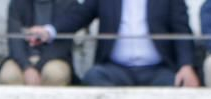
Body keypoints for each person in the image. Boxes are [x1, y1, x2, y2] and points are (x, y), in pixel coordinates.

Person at [26, 0, 200, 86]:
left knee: (177, 84)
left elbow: (182, 29)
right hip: (115, 70)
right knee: (93, 77)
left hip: (158, 70)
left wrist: (186, 66)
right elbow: (80, 15)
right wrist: (49, 31)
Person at [0, 0, 73, 83]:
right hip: (23, 58)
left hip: (54, 58)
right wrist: (27, 67)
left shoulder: (67, 3)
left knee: (55, 74)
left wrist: (37, 68)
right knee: (8, 76)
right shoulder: (18, 3)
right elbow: (14, 41)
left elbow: (63, 45)